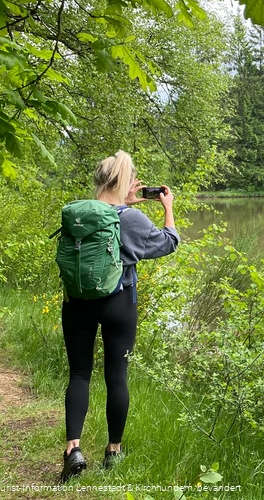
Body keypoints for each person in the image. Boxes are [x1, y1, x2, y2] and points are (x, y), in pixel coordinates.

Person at [59, 151, 179, 482]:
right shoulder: (129, 218)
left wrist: (124, 201)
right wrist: (167, 209)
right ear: (124, 182)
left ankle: (73, 450)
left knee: (80, 374)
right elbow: (168, 243)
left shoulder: (78, 213)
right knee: (116, 377)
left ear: (100, 180)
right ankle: (113, 452)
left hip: (77, 301)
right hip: (119, 302)